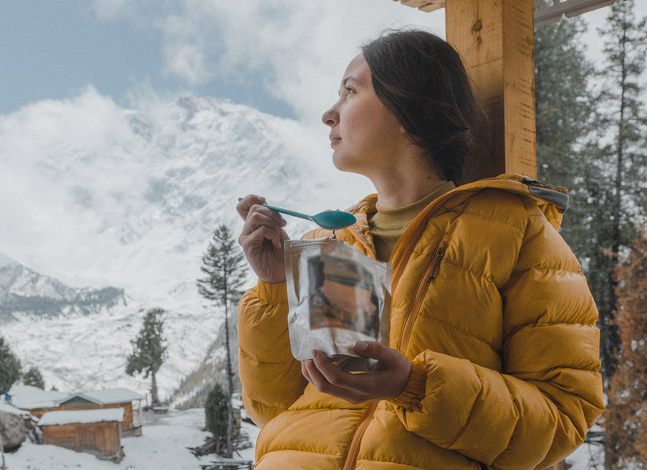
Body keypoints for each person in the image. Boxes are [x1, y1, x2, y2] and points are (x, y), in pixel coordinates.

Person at [235, 30, 603, 470]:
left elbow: (563, 416)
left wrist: (416, 387)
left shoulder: (516, 232)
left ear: (409, 108)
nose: (328, 114)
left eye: (350, 92)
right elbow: (272, 409)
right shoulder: (328, 244)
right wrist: (275, 287)